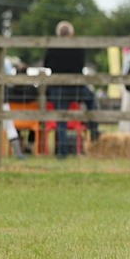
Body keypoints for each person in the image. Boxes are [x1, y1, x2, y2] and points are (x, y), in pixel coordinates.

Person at [42, 21, 87, 158]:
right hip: (76, 88)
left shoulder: (53, 47)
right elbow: (81, 65)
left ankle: (61, 152)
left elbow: (46, 64)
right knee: (91, 102)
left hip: (58, 87)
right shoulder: (78, 47)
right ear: (71, 33)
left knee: (60, 119)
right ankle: (95, 134)